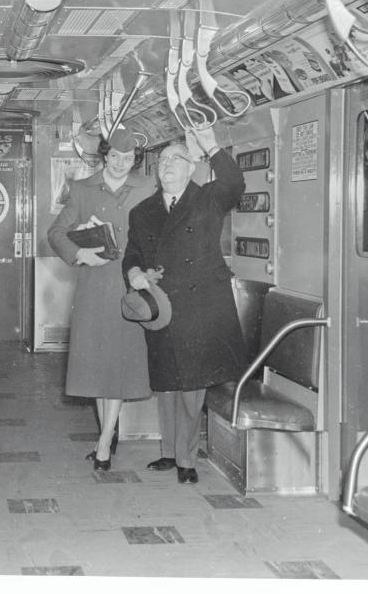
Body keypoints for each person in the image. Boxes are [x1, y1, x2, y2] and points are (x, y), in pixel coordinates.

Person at [123, 125, 246, 484]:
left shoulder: (207, 199)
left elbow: (234, 184)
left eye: (176, 159)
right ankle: (168, 451)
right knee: (166, 383)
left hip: (199, 306)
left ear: (192, 166)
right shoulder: (142, 212)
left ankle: (187, 459)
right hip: (161, 306)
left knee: (192, 386)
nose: (167, 166)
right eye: (162, 161)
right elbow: (133, 252)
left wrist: (210, 145)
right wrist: (133, 272)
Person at [47, 127, 156, 471]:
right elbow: (55, 233)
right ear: (104, 156)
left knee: (119, 366)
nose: (121, 164)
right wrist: (80, 254)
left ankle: (105, 440)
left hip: (132, 288)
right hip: (95, 287)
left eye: (128, 158)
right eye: (115, 157)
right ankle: (107, 436)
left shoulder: (149, 188)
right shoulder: (82, 190)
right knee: (98, 367)